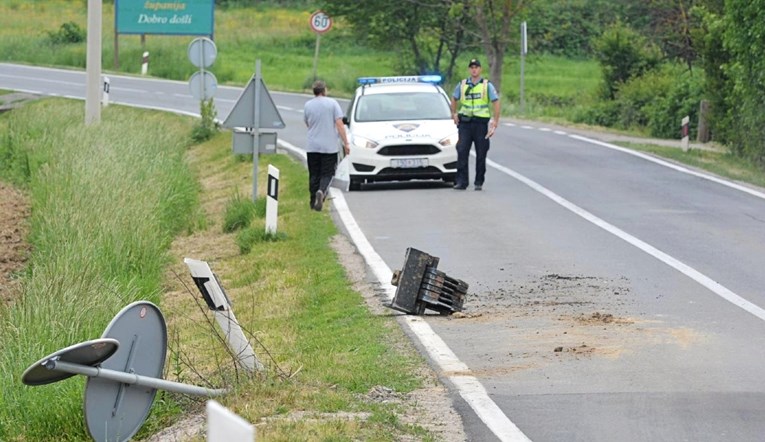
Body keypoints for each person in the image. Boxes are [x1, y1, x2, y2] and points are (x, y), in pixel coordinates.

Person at [450, 58, 501, 191]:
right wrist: (454, 113)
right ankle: (462, 182)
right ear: (469, 69)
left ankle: (479, 181)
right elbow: (454, 98)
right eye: (472, 67)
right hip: (465, 123)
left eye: (476, 67)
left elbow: (495, 101)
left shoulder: (486, 85)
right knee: (462, 151)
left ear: (480, 69)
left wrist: (495, 121)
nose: (474, 69)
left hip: (480, 123)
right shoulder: (462, 85)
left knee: (481, 153)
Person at [304, 80, 350, 211]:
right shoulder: (332, 103)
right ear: (324, 91)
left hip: (312, 146)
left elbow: (307, 123)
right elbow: (340, 124)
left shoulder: (308, 105)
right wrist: (346, 143)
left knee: (314, 174)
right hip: (329, 147)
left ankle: (313, 202)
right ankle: (322, 191)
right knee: (327, 173)